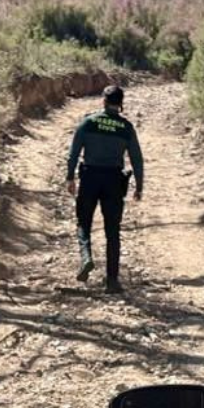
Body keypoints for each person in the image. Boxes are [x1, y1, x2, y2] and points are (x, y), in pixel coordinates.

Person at [65, 85, 145, 293]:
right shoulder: (125, 127)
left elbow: (73, 152)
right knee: (112, 231)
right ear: (121, 103)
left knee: (83, 222)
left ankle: (86, 258)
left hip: (90, 177)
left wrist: (70, 177)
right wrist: (139, 185)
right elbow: (137, 158)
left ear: (103, 101)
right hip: (113, 181)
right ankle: (112, 281)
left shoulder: (88, 122)